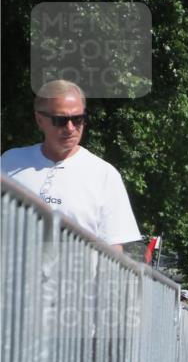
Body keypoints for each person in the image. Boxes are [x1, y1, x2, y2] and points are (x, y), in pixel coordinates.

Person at [1, 80, 140, 250]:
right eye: (60, 120)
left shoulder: (105, 175)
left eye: (78, 119)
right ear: (39, 120)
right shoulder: (10, 162)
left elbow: (114, 248)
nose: (70, 128)